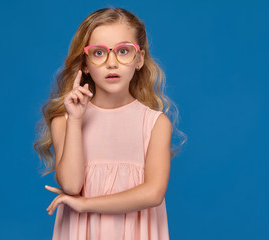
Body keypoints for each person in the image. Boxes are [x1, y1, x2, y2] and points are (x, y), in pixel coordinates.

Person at [34, 7, 186, 240]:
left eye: (123, 51)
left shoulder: (155, 123)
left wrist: (86, 205)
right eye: (98, 53)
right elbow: (72, 185)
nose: (111, 63)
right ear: (84, 64)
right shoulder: (64, 121)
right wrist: (75, 120)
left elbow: (154, 193)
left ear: (139, 59)